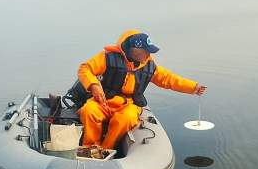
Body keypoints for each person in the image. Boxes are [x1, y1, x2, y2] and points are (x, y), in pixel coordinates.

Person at [77, 30, 207, 149]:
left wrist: (193, 87)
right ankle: (90, 148)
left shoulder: (150, 66)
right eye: (146, 51)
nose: (149, 55)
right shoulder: (107, 58)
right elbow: (85, 68)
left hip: (129, 104)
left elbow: (169, 80)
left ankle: (105, 150)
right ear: (135, 51)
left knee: (125, 119)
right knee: (88, 110)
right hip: (104, 101)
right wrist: (94, 86)